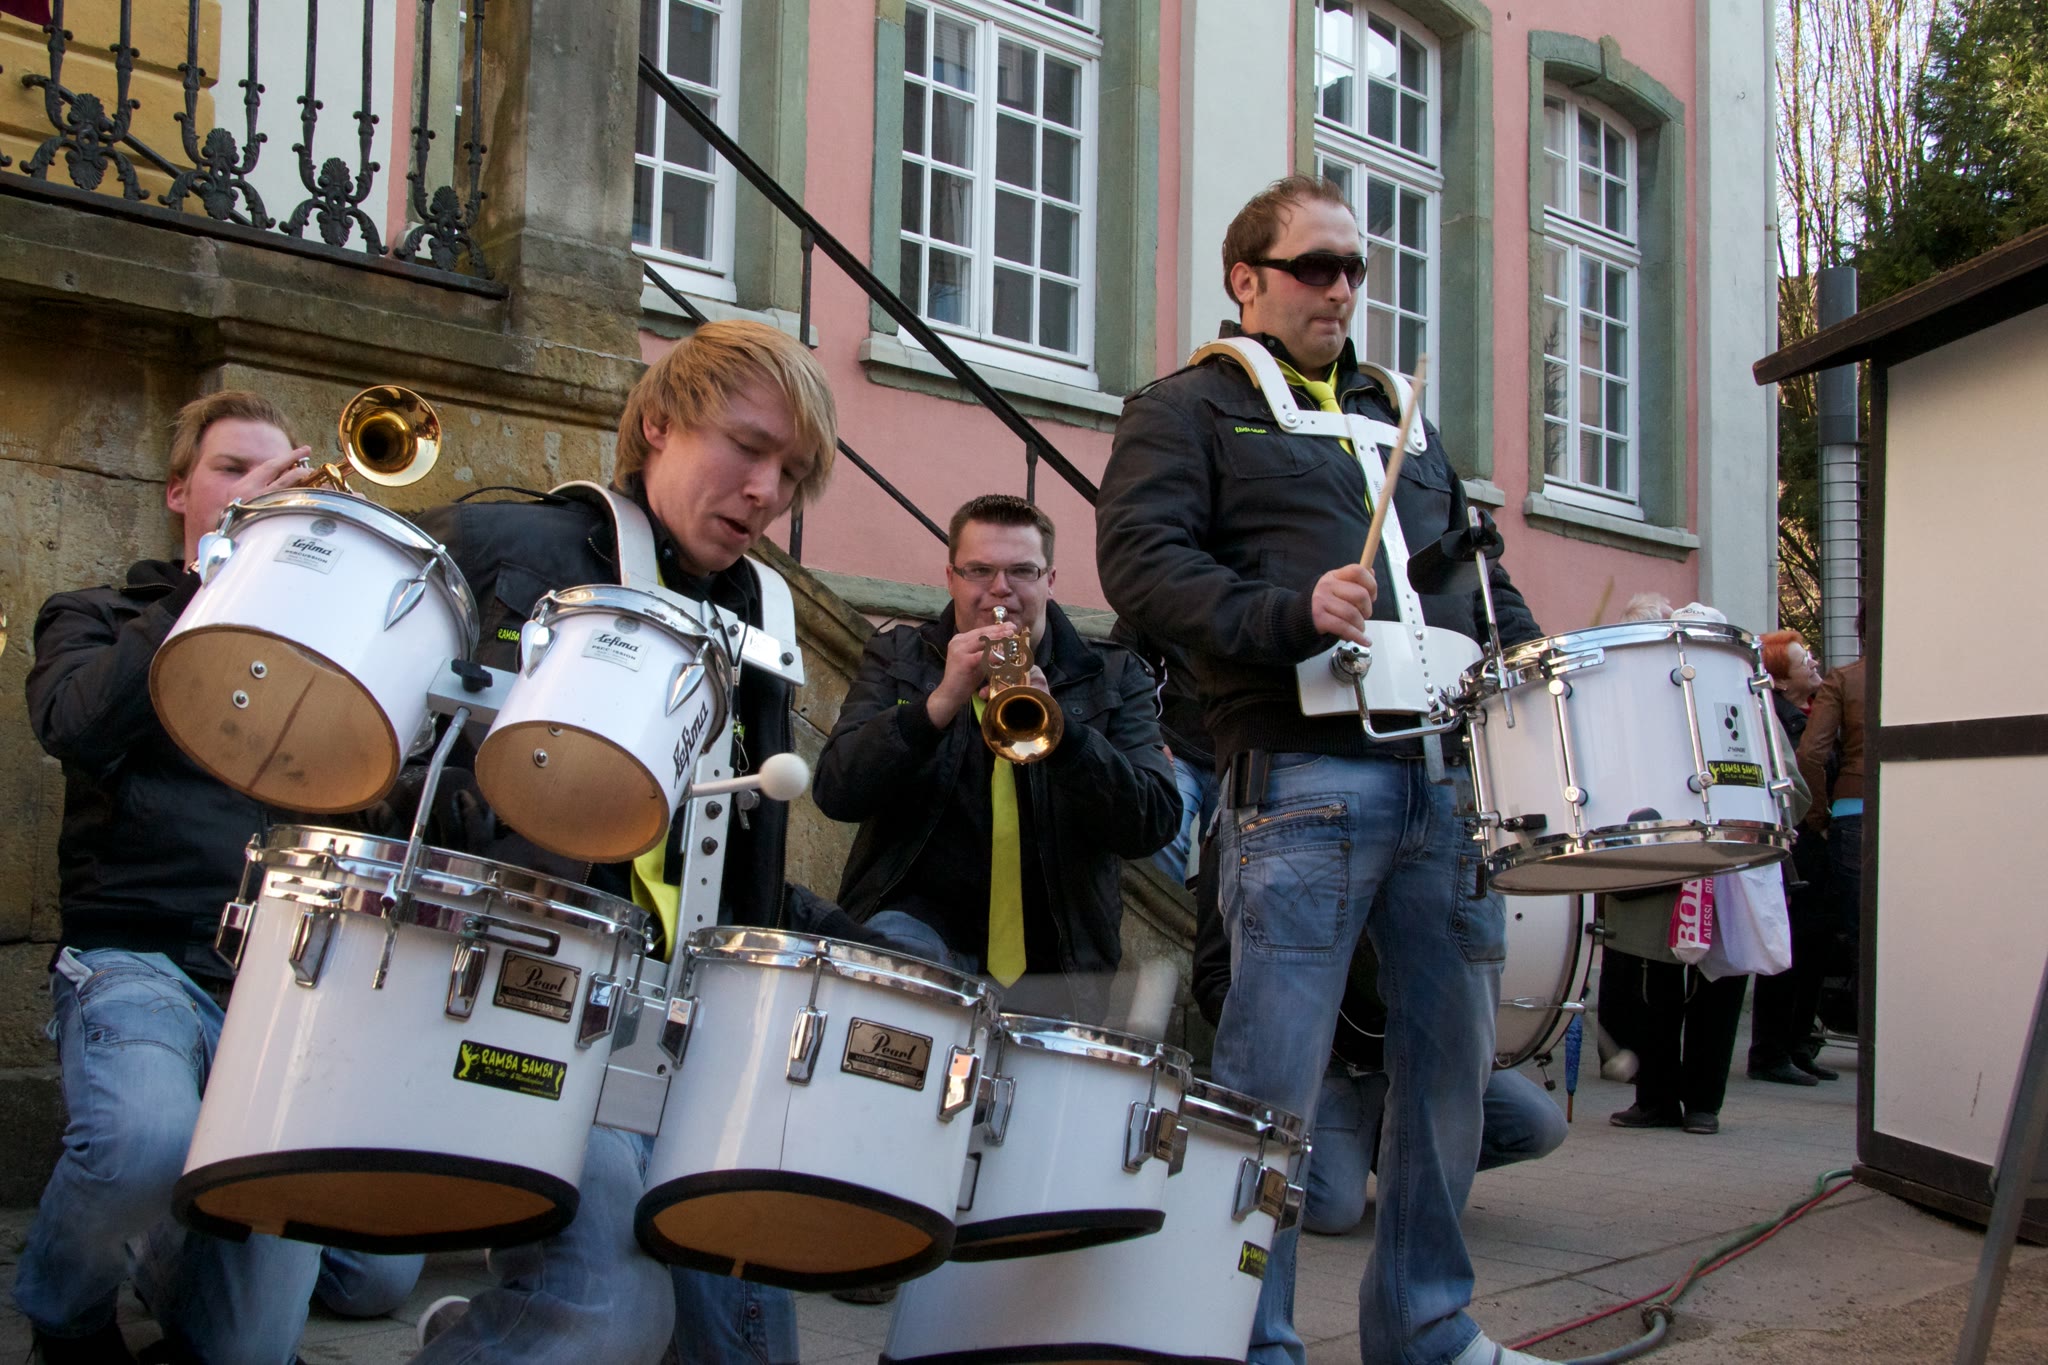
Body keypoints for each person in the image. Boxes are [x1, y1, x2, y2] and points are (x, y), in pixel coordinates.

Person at [1097, 174, 1544, 1365]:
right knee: (1266, 1091)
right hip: (1299, 778)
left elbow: (1472, 577)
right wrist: (1287, 612)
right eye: (1313, 266)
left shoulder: (1400, 411)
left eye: (1352, 268)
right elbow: (1141, 567)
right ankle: (1251, 1344)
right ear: (1245, 279)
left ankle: (1429, 1332)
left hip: (1442, 779)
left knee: (1448, 1076)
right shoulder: (1185, 408)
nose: (1340, 287)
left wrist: (1534, 667)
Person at [402, 319, 837, 1365]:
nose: (766, 491)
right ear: (657, 425)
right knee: (608, 1309)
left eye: (791, 473)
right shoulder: (508, 548)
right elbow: (377, 765)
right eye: (747, 447)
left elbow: (729, 860)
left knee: (743, 1346)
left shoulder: (762, 610)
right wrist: (504, 808)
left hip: (683, 1028)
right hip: (514, 1002)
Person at [16, 391, 422, 1364]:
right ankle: (67, 1319)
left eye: (272, 473)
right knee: (146, 1144)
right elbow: (74, 723)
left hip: (279, 988)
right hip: (138, 960)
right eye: (232, 470)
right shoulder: (101, 612)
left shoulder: (325, 652)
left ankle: (172, 1241)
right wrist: (220, 577)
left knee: (369, 1276)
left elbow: (385, 814)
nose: (255, 487)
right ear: (177, 491)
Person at [812, 494, 1178, 1017]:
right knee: (891, 985)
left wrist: (1066, 735)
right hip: (917, 924)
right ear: (951, 578)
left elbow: (1154, 821)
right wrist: (937, 706)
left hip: (1059, 960)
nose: (1000, 589)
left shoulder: (1116, 674)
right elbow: (836, 790)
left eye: (1021, 571)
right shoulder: (897, 655)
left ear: (1050, 580)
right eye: (979, 570)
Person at [1189, 890, 1566, 1238]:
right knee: (1333, 1209)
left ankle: (1385, 1147)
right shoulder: (1240, 845)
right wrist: (1299, 1037)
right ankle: (1347, 1146)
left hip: (1413, 1048)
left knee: (1538, 1124)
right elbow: (1214, 976)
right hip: (1331, 1062)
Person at [1747, 629, 1839, 1085]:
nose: (1814, 663)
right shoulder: (1778, 720)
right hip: (1797, 843)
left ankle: (1799, 1044)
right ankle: (1771, 1051)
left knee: (1815, 944)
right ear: (1781, 681)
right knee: (1792, 944)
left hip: (1815, 844)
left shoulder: (1814, 714)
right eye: (1804, 661)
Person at [1796, 607, 1866, 1036]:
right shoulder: (1928, 677)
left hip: (1854, 809)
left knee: (1860, 931)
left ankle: (1871, 1042)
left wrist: (1819, 815)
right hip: (1913, 809)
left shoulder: (1843, 680)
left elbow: (1810, 755)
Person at [1109, 620, 1219, 887]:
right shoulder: (1153, 603)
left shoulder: (1247, 604)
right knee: (1162, 836)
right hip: (1171, 747)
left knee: (1230, 855)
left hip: (1239, 752)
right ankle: (1166, 913)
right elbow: (1116, 673)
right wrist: (1148, 738)